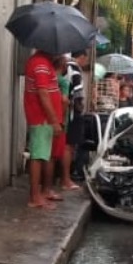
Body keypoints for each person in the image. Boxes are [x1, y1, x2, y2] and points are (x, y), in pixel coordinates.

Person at [23, 48, 63, 209]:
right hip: (42, 118)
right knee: (38, 156)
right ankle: (34, 197)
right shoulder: (40, 64)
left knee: (42, 155)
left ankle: (40, 193)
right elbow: (43, 94)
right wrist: (53, 120)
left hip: (44, 118)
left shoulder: (44, 63)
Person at [53, 55, 79, 190]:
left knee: (49, 152)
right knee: (61, 149)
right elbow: (64, 100)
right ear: (63, 66)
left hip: (48, 117)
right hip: (60, 119)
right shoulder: (63, 82)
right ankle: (63, 180)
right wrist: (61, 119)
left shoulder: (49, 79)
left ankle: (51, 183)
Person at [64, 49, 88, 184]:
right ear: (82, 56)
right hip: (73, 112)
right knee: (69, 146)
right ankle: (66, 178)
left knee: (65, 145)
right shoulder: (75, 70)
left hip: (65, 110)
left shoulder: (65, 67)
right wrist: (80, 108)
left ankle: (64, 177)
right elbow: (77, 93)